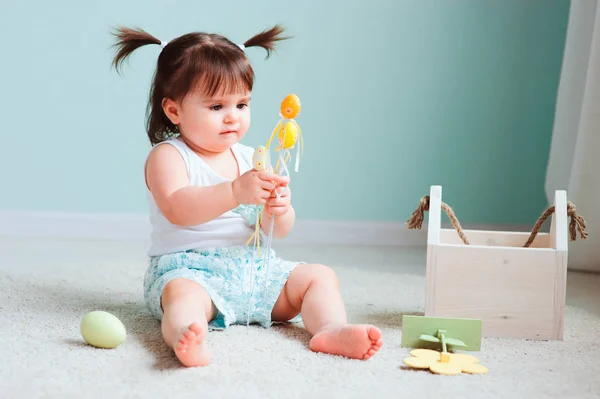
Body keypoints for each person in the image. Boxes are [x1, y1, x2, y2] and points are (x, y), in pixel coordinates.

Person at [110, 24, 383, 367]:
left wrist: (278, 210)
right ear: (174, 110)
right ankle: (186, 333)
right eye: (216, 106)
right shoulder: (169, 156)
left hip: (255, 270)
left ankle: (330, 328)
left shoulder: (251, 156)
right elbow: (178, 209)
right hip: (192, 270)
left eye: (241, 104)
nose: (232, 117)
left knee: (319, 276)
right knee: (183, 297)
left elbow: (276, 231)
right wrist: (235, 191)